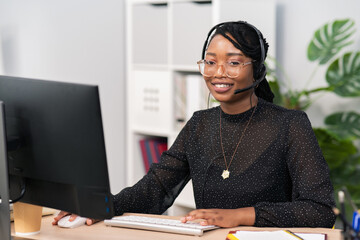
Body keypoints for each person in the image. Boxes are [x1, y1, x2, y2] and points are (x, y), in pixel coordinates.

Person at [53, 21, 336, 228]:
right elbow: (154, 189)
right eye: (210, 62)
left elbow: (320, 210)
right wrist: (101, 207)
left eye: (233, 62)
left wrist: (240, 215)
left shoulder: (290, 125)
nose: (218, 73)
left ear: (258, 70)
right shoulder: (200, 124)